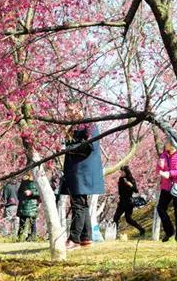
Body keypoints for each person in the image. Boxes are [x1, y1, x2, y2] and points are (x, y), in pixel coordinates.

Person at [60, 101, 105, 251]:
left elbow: (91, 145)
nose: (69, 113)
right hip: (74, 171)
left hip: (82, 171)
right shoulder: (72, 127)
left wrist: (70, 149)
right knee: (81, 204)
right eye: (67, 110)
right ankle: (86, 237)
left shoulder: (88, 125)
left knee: (78, 205)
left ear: (79, 108)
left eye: (71, 109)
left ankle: (74, 239)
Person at [156, 139, 177, 243]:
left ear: (172, 144)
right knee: (160, 208)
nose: (164, 144)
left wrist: (170, 173)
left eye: (166, 142)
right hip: (166, 186)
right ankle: (169, 231)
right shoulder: (163, 156)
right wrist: (160, 166)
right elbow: (158, 171)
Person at [113, 166, 145, 237]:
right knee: (116, 217)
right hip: (122, 201)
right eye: (120, 171)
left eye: (122, 171)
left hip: (128, 202)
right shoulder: (120, 179)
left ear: (125, 172)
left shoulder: (131, 179)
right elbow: (120, 191)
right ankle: (114, 234)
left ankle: (141, 229)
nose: (120, 173)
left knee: (127, 219)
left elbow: (136, 190)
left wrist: (129, 184)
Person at [17, 172, 40, 241]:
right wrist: (22, 197)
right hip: (23, 205)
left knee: (32, 223)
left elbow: (40, 193)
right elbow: (19, 192)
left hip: (32, 205)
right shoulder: (24, 181)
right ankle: (20, 238)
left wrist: (31, 193)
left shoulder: (38, 181)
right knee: (22, 223)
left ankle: (31, 238)